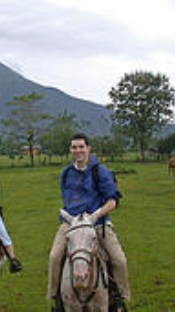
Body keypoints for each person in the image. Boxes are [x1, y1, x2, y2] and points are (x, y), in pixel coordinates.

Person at [47, 133, 130, 312]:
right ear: (70, 150)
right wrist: (71, 219)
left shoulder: (100, 171)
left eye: (81, 147)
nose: (78, 151)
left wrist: (95, 215)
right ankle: (56, 299)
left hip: (98, 223)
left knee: (119, 259)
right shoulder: (66, 173)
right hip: (71, 224)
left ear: (88, 148)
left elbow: (113, 201)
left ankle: (120, 298)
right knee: (55, 257)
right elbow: (67, 200)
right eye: (74, 147)